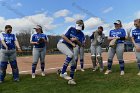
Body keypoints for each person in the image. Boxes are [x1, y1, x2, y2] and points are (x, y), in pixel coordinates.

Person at [57, 20, 85, 85]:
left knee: (73, 64)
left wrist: (76, 40)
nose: (78, 30)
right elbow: (63, 36)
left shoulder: (82, 34)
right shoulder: (71, 28)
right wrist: (71, 43)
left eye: (79, 28)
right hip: (62, 44)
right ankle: (62, 72)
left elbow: (81, 45)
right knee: (70, 54)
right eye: (77, 27)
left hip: (70, 47)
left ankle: (71, 80)